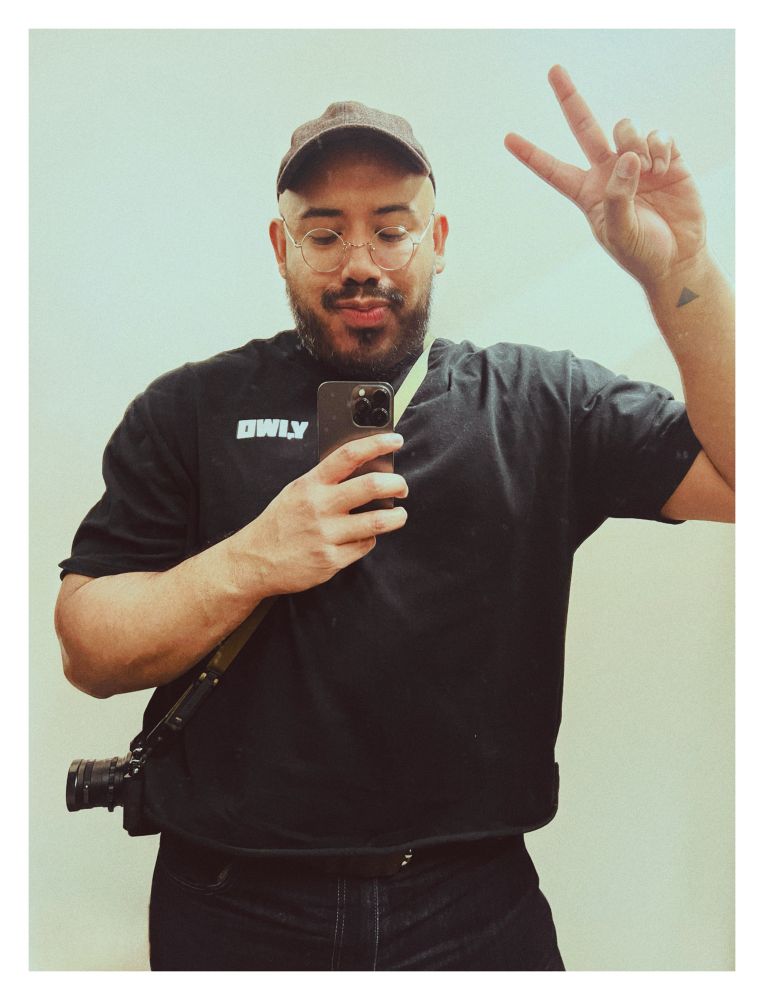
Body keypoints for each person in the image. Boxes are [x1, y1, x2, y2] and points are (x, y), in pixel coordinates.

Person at [55, 64, 734, 971]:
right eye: (324, 234)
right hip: (231, 903)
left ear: (438, 240)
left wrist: (679, 271)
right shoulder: (189, 410)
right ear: (281, 246)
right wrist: (254, 558)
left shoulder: (538, 402)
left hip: (473, 905)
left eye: (391, 228)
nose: (361, 264)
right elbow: (89, 649)